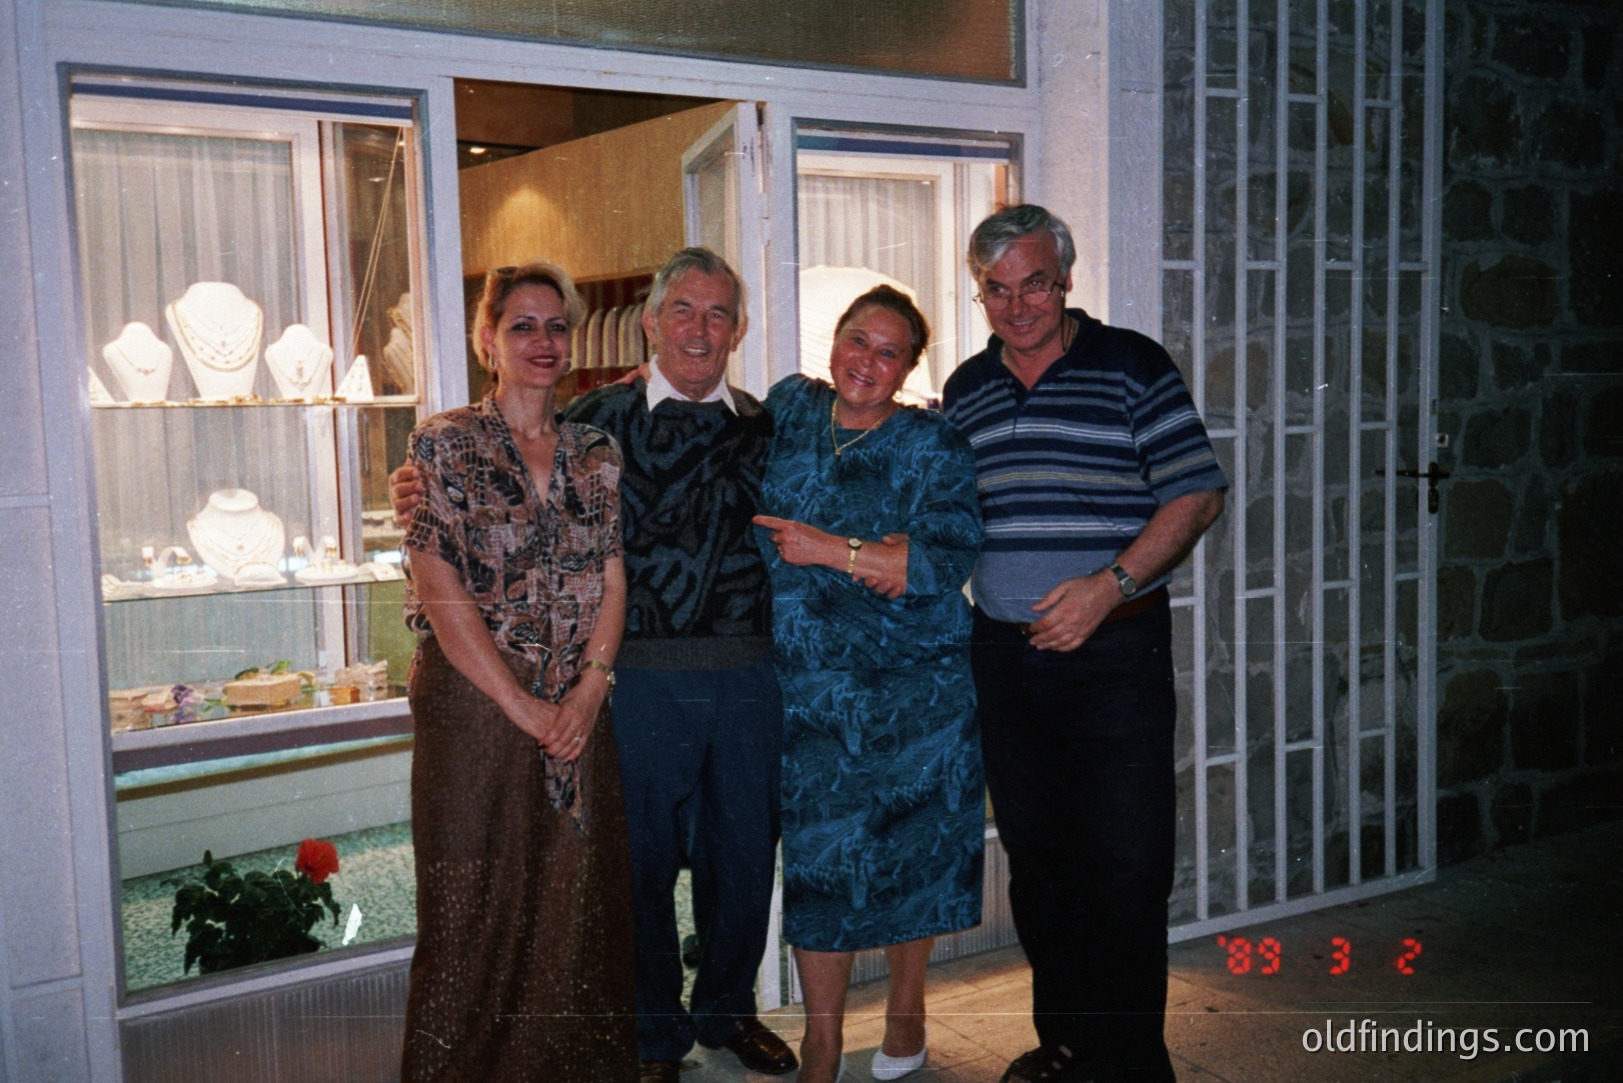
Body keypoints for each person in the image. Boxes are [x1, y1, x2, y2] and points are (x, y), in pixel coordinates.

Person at [394, 247, 796, 1083]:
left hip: (747, 671)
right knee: (637, 863)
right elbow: (489, 474)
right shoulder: (597, 419)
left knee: (744, 855)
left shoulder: (769, 426)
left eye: (718, 313)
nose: (699, 328)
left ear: (739, 329)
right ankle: (652, 1035)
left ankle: (726, 1010)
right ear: (649, 322)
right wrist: (413, 489)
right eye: (682, 309)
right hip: (635, 675)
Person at [941, 205, 1227, 1083]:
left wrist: (1109, 587)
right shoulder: (964, 389)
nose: (1016, 304)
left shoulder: (1130, 363)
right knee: (1040, 865)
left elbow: (1195, 494)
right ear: (979, 292)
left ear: (1065, 278)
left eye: (1033, 282)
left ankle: (1134, 1061)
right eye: (997, 288)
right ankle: (1065, 1042)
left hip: (1115, 656)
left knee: (1125, 864)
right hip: (1006, 656)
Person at [399, 261, 636, 1080]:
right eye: (522, 326)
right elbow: (438, 586)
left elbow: (612, 575)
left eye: (556, 326)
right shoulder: (443, 442)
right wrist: (521, 705)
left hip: (577, 711)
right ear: (486, 339)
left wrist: (590, 688)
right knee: (473, 914)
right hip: (474, 712)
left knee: (572, 911)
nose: (543, 342)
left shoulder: (597, 449)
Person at [751, 286, 984, 1083]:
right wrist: (876, 556)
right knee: (819, 865)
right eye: (858, 340)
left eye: (889, 352)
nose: (867, 362)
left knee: (912, 853)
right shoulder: (787, 409)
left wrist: (831, 551)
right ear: (834, 341)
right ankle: (821, 1040)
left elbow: (939, 562)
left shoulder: (933, 444)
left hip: (917, 691)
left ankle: (906, 1008)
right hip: (810, 692)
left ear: (910, 367)